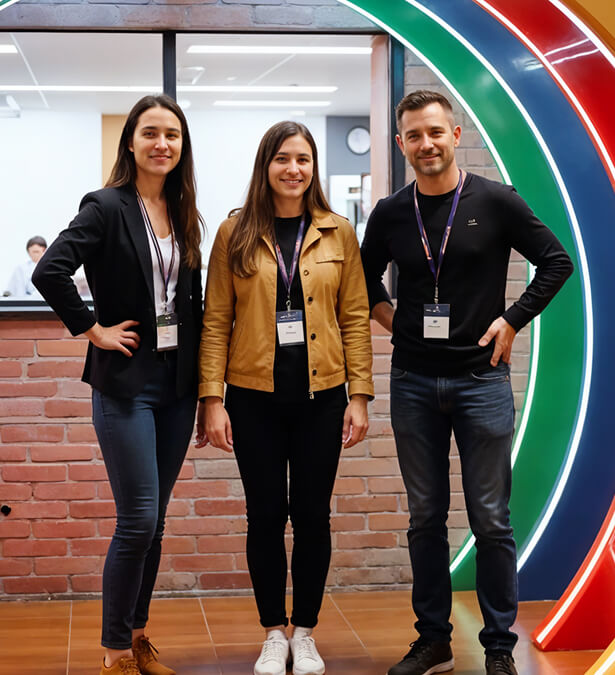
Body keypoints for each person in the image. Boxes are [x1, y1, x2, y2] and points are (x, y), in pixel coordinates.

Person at [360, 90, 573, 675]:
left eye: (435, 132)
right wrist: (390, 318)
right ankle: (433, 641)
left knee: (491, 520)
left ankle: (499, 647)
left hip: (481, 381)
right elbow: (363, 275)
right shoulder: (391, 212)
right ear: (401, 144)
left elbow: (556, 261)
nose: (425, 143)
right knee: (425, 519)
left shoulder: (496, 200)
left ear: (454, 135)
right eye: (414, 135)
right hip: (412, 382)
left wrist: (512, 319)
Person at [33, 94, 204, 675]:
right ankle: (114, 652)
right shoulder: (105, 206)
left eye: (172, 135)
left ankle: (137, 636)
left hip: (177, 385)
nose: (162, 144)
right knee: (137, 519)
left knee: (155, 523)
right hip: (127, 384)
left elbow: (188, 302)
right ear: (130, 141)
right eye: (150, 132)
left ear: (182, 146)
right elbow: (50, 270)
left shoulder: (183, 211)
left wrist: (207, 390)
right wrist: (91, 329)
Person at [196, 120, 374, 675]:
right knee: (266, 515)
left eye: (303, 159)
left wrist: (360, 394)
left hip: (323, 396)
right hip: (253, 398)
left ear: (313, 167)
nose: (293, 169)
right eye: (282, 159)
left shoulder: (338, 232)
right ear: (265, 166)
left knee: (313, 516)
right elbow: (216, 321)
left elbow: (355, 317)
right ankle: (273, 631)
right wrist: (212, 398)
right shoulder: (234, 232)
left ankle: (306, 632)